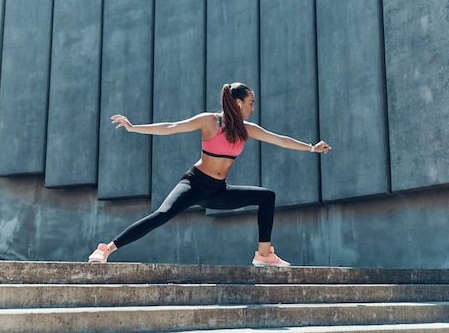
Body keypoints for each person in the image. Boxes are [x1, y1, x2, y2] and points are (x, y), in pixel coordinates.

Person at [88, 82, 331, 266]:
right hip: (194, 184)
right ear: (238, 103)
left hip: (218, 191)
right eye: (251, 102)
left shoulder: (247, 129)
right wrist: (134, 128)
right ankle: (107, 249)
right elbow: (171, 127)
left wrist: (311, 147)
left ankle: (264, 254)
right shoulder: (210, 122)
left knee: (267, 197)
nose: (253, 107)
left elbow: (280, 140)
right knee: (162, 214)